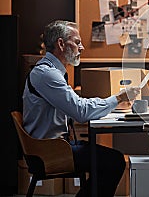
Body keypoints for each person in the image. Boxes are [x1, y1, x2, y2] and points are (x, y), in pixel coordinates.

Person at [22, 20, 140, 196]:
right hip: (49, 151)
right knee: (114, 161)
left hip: (56, 145)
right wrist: (117, 98)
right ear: (61, 44)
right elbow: (81, 112)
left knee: (109, 160)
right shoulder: (47, 74)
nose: (82, 48)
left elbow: (78, 105)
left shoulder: (53, 71)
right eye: (77, 42)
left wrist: (111, 103)